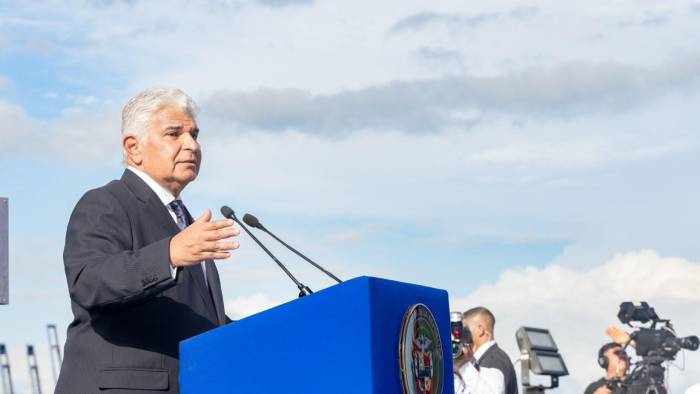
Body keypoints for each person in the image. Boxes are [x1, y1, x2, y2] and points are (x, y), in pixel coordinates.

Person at [55, 87, 240, 393]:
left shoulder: (185, 222)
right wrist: (169, 254)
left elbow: (194, 318)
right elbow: (90, 283)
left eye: (194, 134)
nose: (191, 145)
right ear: (133, 148)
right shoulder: (105, 202)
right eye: (174, 133)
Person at [455, 307, 517, 394]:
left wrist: (463, 365)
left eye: (464, 328)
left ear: (480, 330)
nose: (460, 333)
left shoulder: (494, 360)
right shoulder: (485, 359)